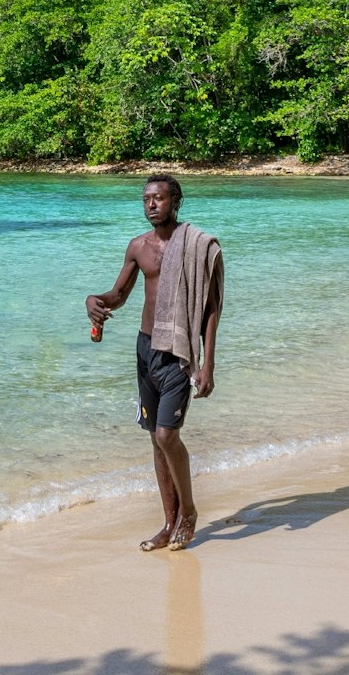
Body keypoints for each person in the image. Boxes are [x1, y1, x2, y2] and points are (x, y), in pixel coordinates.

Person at [85, 175, 223, 553]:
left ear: (176, 202)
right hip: (146, 350)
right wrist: (94, 302)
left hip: (177, 353)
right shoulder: (138, 247)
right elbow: (118, 296)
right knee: (154, 439)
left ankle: (189, 513)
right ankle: (168, 522)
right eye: (146, 199)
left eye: (159, 198)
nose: (151, 205)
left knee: (167, 435)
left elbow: (211, 310)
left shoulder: (198, 247)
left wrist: (207, 363)